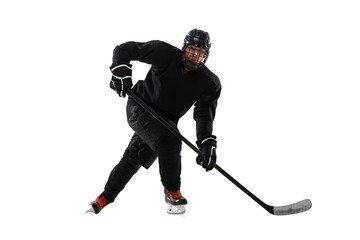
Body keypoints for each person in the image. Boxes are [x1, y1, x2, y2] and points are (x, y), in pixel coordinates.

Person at [87, 29, 221, 214]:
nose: (195, 54)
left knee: (133, 159)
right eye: (191, 49)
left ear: (206, 55)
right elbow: (124, 49)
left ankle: (103, 199)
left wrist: (206, 141)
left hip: (164, 123)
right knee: (172, 139)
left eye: (200, 52)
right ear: (184, 48)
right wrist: (120, 70)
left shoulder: (209, 82)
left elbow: (204, 115)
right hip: (141, 107)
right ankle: (172, 191)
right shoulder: (164, 52)